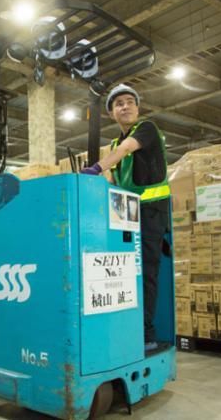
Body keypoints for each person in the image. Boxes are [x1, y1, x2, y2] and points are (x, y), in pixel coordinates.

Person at [81, 84, 170, 352]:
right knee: (124, 271)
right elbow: (114, 180)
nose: (126, 106)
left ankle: (147, 334)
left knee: (146, 272)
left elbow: (126, 150)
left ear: (138, 108)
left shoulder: (146, 129)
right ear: (111, 113)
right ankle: (126, 327)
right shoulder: (114, 144)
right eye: (119, 103)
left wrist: (96, 167)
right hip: (125, 212)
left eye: (130, 101)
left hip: (150, 210)